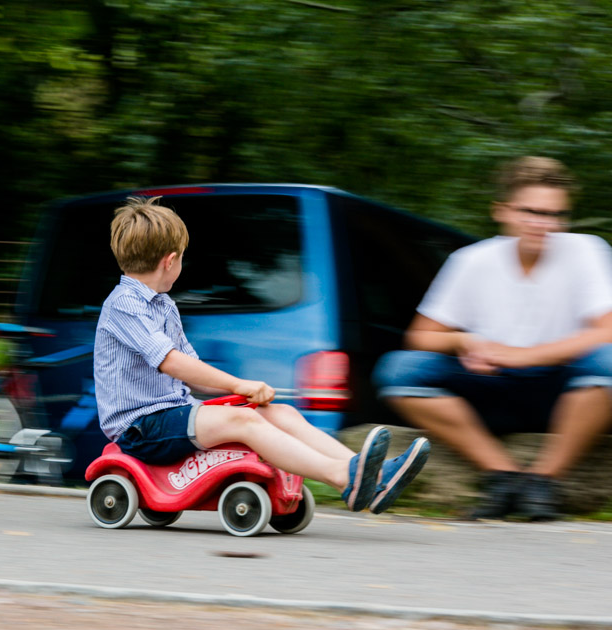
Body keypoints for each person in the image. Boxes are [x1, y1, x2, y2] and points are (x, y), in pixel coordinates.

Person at [94, 196, 431, 514]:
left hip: (174, 415)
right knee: (245, 420)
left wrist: (246, 393)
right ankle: (345, 478)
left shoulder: (164, 306)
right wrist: (240, 385)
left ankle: (372, 475)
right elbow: (172, 362)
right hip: (141, 427)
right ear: (170, 261)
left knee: (279, 412)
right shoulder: (123, 305)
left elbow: (191, 368)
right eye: (181, 257)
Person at [373, 156, 612, 521]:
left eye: (554, 215)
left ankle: (542, 481)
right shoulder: (471, 260)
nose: (542, 224)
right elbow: (420, 337)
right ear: (501, 210)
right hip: (489, 389)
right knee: (398, 369)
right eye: (530, 211)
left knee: (607, 360)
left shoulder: (586, 250)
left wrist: (523, 356)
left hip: (565, 392)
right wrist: (465, 342)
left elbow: (606, 330)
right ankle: (504, 475)